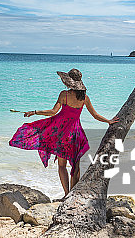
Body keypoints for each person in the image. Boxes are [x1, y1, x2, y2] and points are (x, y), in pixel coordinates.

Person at [9, 68, 119, 196]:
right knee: (75, 165)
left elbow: (53, 112)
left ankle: (66, 193)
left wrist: (34, 112)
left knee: (62, 165)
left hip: (62, 133)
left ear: (69, 83)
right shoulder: (85, 98)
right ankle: (73, 194)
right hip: (76, 134)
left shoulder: (64, 95)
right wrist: (108, 121)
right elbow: (95, 115)